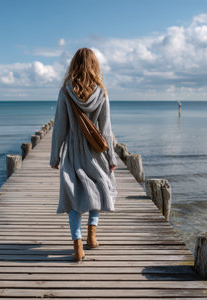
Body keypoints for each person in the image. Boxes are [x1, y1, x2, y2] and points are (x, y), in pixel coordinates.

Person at [50, 48, 117, 262]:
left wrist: (55, 156)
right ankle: (92, 236)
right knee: (99, 188)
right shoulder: (102, 93)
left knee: (73, 195)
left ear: (74, 66)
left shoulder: (65, 92)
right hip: (95, 153)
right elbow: (106, 131)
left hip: (73, 152)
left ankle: (78, 246)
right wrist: (112, 158)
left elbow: (60, 127)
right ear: (94, 66)